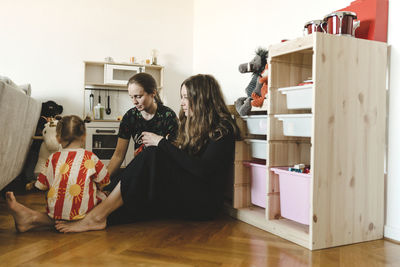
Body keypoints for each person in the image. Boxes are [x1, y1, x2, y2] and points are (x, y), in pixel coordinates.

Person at [54, 74, 240, 233]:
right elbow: (181, 161)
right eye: (181, 97)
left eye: (186, 97)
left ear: (201, 98)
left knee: (152, 153)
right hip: (186, 192)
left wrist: (161, 143)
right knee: (131, 202)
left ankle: (96, 216)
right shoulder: (193, 123)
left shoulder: (222, 129)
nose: (182, 102)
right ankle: (63, 219)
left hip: (203, 204)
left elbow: (203, 170)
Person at [6, 115, 110, 232]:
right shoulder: (90, 157)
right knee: (104, 195)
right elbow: (105, 180)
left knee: (51, 192)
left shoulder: (53, 158)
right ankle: (84, 221)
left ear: (58, 138)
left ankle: (31, 219)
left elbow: (42, 185)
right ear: (84, 136)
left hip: (56, 212)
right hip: (84, 212)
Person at [107, 72, 178, 178]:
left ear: (153, 93)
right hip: (140, 169)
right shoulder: (130, 116)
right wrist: (103, 181)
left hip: (163, 171)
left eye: (138, 96)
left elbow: (175, 153)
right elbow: (118, 155)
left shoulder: (168, 115)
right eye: (131, 97)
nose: (134, 101)